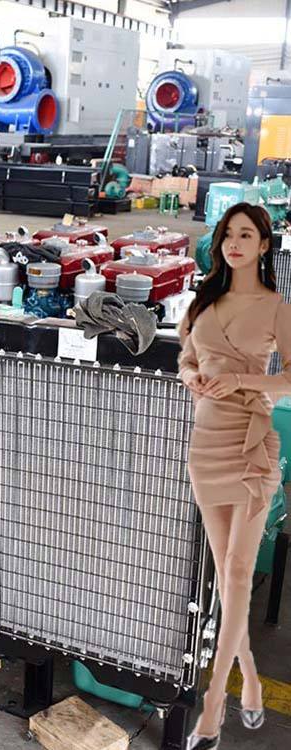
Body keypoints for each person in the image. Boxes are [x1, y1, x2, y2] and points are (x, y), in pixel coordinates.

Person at [176, 202, 290, 749]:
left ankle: (214, 705)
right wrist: (193, 377)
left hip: (250, 445)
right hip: (206, 443)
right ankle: (249, 679)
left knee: (239, 573)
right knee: (227, 575)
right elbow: (185, 357)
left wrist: (243, 382)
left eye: (246, 235)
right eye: (228, 234)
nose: (234, 244)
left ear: (264, 246)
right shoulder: (204, 300)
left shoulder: (276, 308)